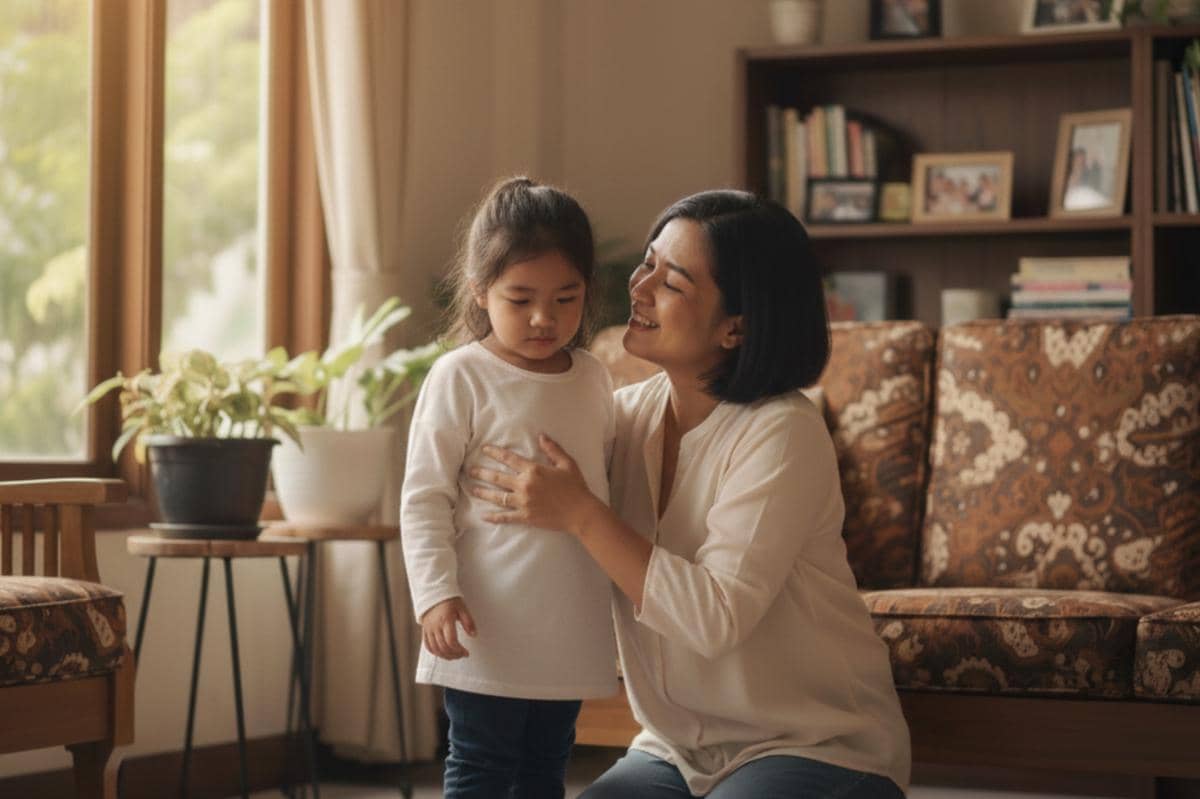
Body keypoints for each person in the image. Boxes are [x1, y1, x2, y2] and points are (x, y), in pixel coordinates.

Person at [469, 190, 911, 798]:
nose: (638, 287)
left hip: (816, 746)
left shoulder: (781, 432)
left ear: (736, 326)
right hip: (674, 752)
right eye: (646, 263)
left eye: (671, 282)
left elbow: (714, 618)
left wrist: (582, 514)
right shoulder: (622, 418)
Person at [400, 177, 618, 799]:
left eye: (566, 298)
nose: (545, 318)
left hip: (567, 621)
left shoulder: (594, 378)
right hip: (483, 622)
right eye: (520, 299)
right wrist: (435, 594)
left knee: (547, 765)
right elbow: (424, 498)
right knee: (481, 767)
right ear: (479, 291)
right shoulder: (460, 375)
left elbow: (601, 493)